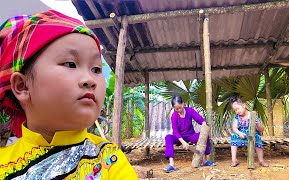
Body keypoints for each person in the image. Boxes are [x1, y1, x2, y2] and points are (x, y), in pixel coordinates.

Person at [0, 10, 137, 179]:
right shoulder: (4, 163)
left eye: (96, 69)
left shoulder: (109, 161)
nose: (90, 80)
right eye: (71, 64)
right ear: (22, 86)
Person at [163, 95, 215, 173]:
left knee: (204, 135)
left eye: (180, 107)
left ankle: (204, 161)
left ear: (183, 104)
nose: (179, 110)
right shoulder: (174, 116)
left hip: (191, 135)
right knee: (168, 137)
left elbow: (200, 119)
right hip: (179, 137)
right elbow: (175, 132)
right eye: (176, 109)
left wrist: (204, 124)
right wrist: (183, 142)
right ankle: (171, 164)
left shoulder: (190, 111)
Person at [230, 98, 269, 167]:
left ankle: (261, 160)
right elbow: (234, 128)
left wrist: (257, 124)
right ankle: (234, 160)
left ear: (244, 106)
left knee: (257, 138)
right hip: (242, 135)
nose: (237, 111)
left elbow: (261, 129)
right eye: (235, 110)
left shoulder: (252, 115)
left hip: (252, 135)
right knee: (233, 136)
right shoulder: (237, 117)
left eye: (238, 108)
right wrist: (239, 133)